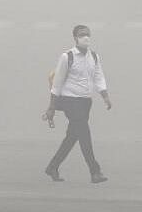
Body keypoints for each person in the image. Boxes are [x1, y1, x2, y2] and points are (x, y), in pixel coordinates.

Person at [43, 24, 110, 183]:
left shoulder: (94, 56)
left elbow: (99, 77)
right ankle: (95, 171)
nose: (85, 37)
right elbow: (57, 83)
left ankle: (52, 167)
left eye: (87, 34)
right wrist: (51, 107)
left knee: (72, 136)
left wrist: (105, 96)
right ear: (75, 38)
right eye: (82, 35)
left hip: (86, 101)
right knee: (84, 134)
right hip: (70, 101)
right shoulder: (67, 57)